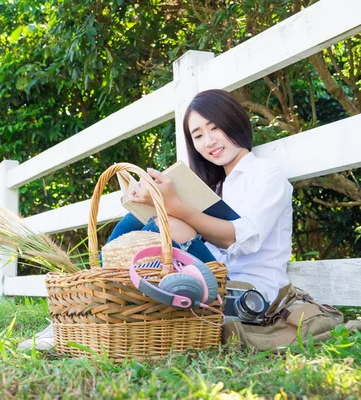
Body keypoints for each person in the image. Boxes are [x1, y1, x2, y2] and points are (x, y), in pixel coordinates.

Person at [18, 89, 293, 351]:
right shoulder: (217, 185)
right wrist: (150, 200)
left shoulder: (267, 175)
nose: (208, 142)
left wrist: (174, 206)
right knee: (133, 221)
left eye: (215, 128)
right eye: (197, 135)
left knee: (168, 222)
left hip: (246, 292)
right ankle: (88, 303)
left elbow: (238, 239)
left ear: (235, 121)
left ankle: (90, 308)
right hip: (215, 274)